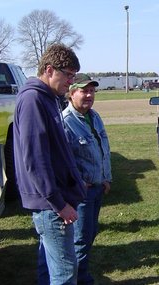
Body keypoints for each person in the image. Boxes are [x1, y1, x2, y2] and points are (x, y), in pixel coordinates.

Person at [13, 43, 86, 285]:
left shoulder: (48, 99)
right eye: (68, 75)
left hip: (54, 201)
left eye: (73, 76)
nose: (70, 81)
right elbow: (35, 159)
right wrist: (58, 203)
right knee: (64, 274)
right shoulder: (33, 99)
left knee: (51, 268)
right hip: (52, 206)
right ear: (49, 69)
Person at [62, 74, 112, 285]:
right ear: (72, 93)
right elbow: (62, 160)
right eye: (84, 91)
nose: (89, 95)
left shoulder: (95, 116)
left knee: (89, 234)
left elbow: (104, 150)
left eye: (92, 91)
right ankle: (80, 280)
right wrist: (77, 183)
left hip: (97, 188)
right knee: (80, 240)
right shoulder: (66, 121)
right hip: (80, 193)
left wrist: (106, 178)